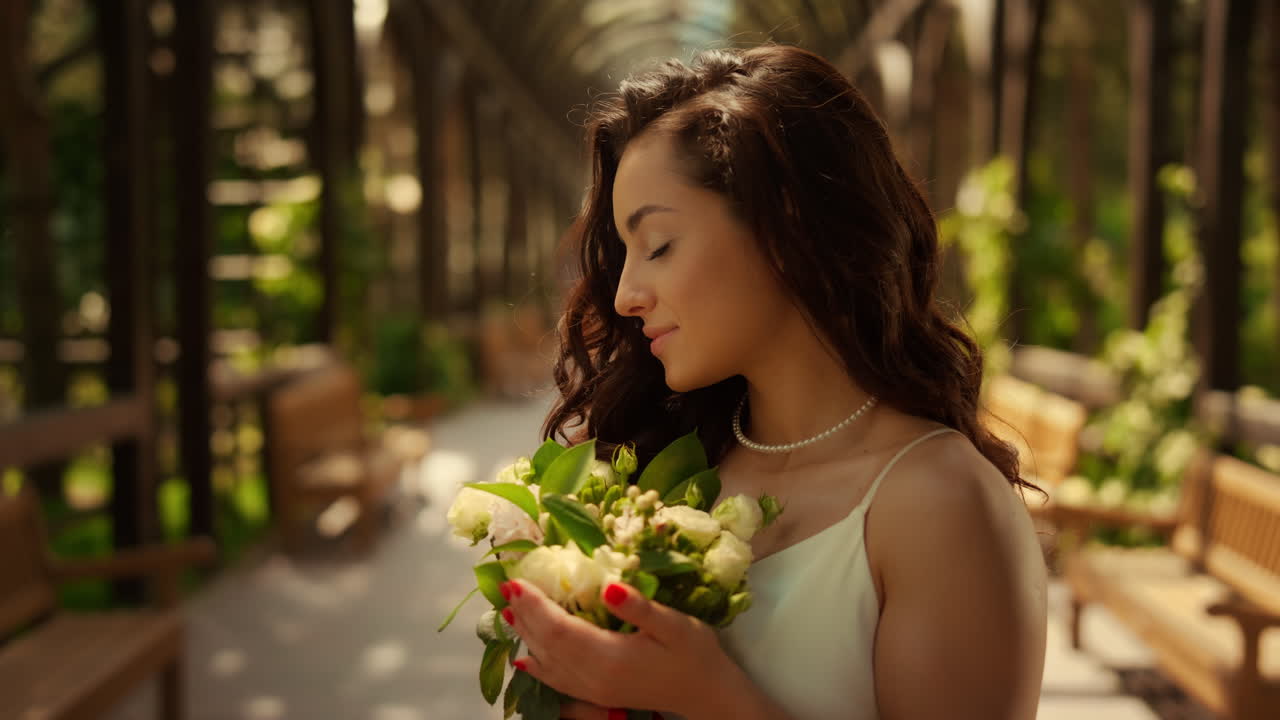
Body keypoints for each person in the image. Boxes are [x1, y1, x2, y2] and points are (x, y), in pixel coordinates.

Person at [498, 43, 1048, 720]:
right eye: (625, 254)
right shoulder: (669, 467)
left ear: (785, 223)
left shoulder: (937, 502)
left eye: (660, 245)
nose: (625, 296)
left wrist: (711, 698)